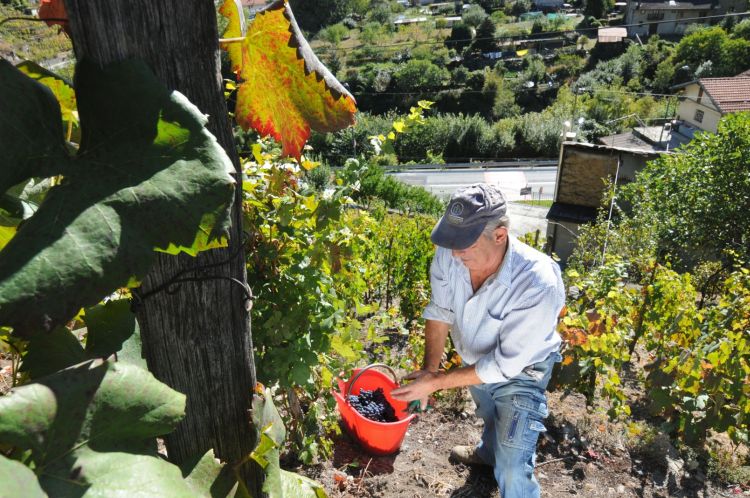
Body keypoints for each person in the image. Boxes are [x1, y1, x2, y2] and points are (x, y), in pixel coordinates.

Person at [391, 183, 564, 498]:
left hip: (522, 371)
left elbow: (504, 364)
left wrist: (436, 383)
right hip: (475, 361)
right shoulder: (451, 251)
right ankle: (487, 454)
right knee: (489, 412)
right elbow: (441, 309)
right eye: (453, 242)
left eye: (465, 244)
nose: (455, 253)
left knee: (512, 466)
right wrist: (430, 371)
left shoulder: (538, 282)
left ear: (499, 235)